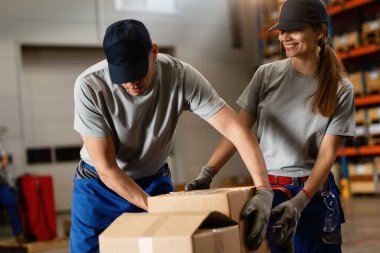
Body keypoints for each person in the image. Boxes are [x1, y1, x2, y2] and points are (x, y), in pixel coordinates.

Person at [71, 19, 273, 253]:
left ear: (153, 52)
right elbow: (107, 168)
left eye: (137, 72)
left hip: (153, 180)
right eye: (123, 76)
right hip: (98, 187)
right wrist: (155, 207)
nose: (131, 83)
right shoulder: (89, 85)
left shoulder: (180, 76)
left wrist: (263, 188)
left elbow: (236, 130)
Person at [185, 0, 355, 252]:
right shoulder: (265, 75)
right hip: (270, 192)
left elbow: (327, 153)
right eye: (282, 31)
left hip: (314, 195)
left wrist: (301, 200)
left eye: (294, 30)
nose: (284, 37)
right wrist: (208, 172)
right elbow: (237, 130)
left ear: (319, 32)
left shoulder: (341, 88)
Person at [0, 139, 23, 242]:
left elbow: (5, 160)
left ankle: (18, 234)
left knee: (11, 203)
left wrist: (1, 165)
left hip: (1, 182)